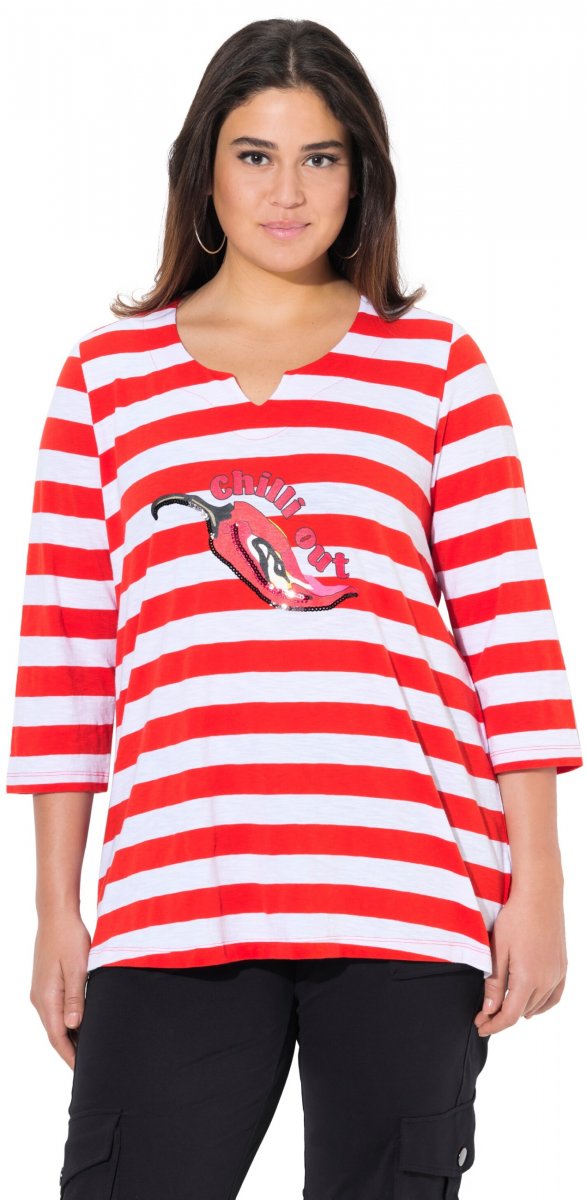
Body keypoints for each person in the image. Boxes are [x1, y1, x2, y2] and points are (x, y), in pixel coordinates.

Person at [6, 17, 582, 1200]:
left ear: (359, 174)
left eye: (320, 157)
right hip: (176, 888)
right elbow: (68, 655)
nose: (287, 191)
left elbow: (508, 635)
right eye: (255, 156)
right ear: (203, 172)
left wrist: (539, 885)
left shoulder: (433, 365)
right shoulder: (106, 380)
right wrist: (55, 910)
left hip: (407, 884)